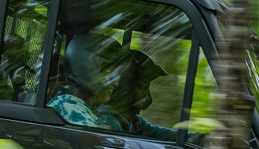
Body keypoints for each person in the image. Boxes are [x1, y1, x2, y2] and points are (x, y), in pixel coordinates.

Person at [47, 35, 177, 140]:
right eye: (108, 74)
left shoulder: (88, 110)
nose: (116, 83)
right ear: (87, 72)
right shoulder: (68, 105)